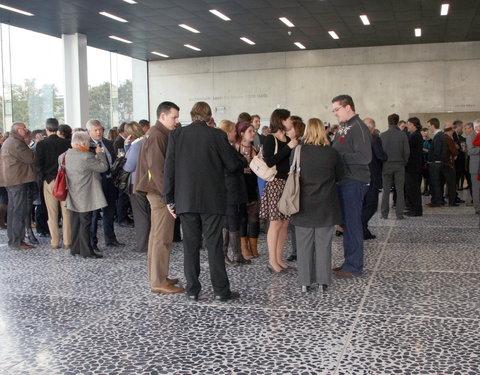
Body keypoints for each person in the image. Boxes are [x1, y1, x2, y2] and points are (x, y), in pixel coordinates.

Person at [164, 101, 243, 301]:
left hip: (185, 200)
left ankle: (192, 290)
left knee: (190, 245)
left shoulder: (177, 135)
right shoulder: (217, 135)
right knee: (214, 244)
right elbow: (233, 165)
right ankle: (220, 290)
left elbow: (169, 169)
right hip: (212, 200)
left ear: (191, 116)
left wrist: (169, 198)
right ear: (209, 117)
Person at [135, 102, 184, 294]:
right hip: (159, 193)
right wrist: (169, 198)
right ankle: (158, 280)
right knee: (161, 238)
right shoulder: (157, 135)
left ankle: (159, 276)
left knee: (158, 236)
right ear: (162, 116)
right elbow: (158, 170)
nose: (177, 121)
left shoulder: (158, 133)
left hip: (157, 192)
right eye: (174, 117)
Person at [290, 118, 344, 292]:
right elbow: (341, 177)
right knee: (323, 245)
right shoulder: (332, 153)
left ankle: (305, 282)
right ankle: (322, 282)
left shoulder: (298, 151)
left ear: (307, 131)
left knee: (304, 245)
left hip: (302, 205)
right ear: (323, 131)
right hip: (326, 206)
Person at [331, 94, 372, 278]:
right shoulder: (344, 127)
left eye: (336, 109)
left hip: (354, 181)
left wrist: (340, 158)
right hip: (344, 180)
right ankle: (349, 262)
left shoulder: (359, 127)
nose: (335, 113)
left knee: (353, 223)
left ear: (348, 107)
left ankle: (354, 267)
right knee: (346, 223)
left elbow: (365, 157)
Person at [259, 108, 298, 273]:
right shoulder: (270, 139)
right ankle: (272, 260)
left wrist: (291, 144)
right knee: (275, 223)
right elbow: (269, 161)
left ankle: (279, 258)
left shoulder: (289, 138)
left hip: (287, 183)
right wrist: (288, 147)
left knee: (284, 223)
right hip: (275, 183)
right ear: (281, 120)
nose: (291, 121)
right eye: (288, 118)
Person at [64, 131, 108, 258]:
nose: (89, 144)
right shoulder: (86, 156)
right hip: (85, 194)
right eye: (88, 142)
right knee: (85, 223)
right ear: (83, 142)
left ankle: (75, 248)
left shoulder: (66, 155)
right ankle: (86, 251)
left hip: (72, 192)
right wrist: (100, 153)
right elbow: (103, 167)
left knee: (75, 222)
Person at [87, 119, 124, 250]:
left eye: (100, 130)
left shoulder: (108, 143)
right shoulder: (86, 145)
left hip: (110, 181)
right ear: (89, 131)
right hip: (96, 183)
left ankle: (111, 238)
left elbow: (113, 159)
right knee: (95, 214)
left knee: (110, 211)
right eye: (95, 130)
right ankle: (93, 242)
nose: (98, 132)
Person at [218, 120, 250, 266]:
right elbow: (234, 164)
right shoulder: (224, 146)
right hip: (229, 189)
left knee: (233, 221)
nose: (235, 133)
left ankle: (236, 254)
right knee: (230, 221)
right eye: (233, 131)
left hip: (232, 188)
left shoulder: (227, 146)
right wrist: (242, 162)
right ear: (227, 132)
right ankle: (226, 255)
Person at [36, 118, 71, 248]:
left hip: (49, 181)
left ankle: (55, 241)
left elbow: (38, 164)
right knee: (66, 212)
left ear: (46, 129)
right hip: (64, 180)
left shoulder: (41, 144)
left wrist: (44, 177)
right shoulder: (66, 143)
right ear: (57, 129)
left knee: (52, 213)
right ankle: (68, 241)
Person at [0, 122, 36, 249]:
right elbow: (30, 158)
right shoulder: (16, 142)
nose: (26, 130)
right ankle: (17, 241)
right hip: (18, 180)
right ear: (17, 130)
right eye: (23, 128)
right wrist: (31, 148)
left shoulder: (10, 141)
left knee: (13, 210)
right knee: (18, 211)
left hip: (12, 180)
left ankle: (15, 240)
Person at [235, 121, 261, 260]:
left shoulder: (255, 150)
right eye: (250, 131)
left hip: (252, 188)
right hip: (240, 188)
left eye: (253, 130)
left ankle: (254, 247)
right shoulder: (235, 149)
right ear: (242, 133)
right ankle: (244, 248)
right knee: (242, 219)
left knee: (254, 219)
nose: (253, 133)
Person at [123, 122, 149, 253]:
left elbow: (129, 166)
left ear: (130, 134)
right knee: (146, 213)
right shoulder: (146, 141)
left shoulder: (136, 146)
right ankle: (148, 243)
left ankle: (143, 245)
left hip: (136, 182)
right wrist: (127, 146)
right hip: (147, 181)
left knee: (140, 215)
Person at [380, 113, 410, 219]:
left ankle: (384, 214)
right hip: (399, 164)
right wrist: (404, 162)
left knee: (386, 190)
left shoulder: (382, 135)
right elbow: (407, 152)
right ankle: (399, 214)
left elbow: (380, 152)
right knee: (400, 190)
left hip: (386, 165)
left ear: (388, 122)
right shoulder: (402, 135)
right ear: (398, 123)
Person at [362, 118, 387, 239]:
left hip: (360, 176)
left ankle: (364, 230)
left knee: (364, 204)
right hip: (372, 175)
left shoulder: (358, 139)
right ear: (372, 127)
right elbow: (380, 155)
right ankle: (360, 226)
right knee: (372, 205)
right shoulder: (374, 138)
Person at [286, 115, 306, 261]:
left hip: (299, 188)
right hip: (300, 187)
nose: (287, 130)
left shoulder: (298, 147)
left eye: (290, 128)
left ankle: (298, 251)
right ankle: (297, 251)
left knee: (296, 220)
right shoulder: (294, 145)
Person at [404, 117, 424, 217]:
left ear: (413, 124)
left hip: (413, 167)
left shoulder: (415, 136)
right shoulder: (414, 135)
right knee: (411, 189)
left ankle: (416, 210)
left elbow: (409, 150)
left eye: (408, 124)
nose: (407, 126)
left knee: (413, 189)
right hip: (412, 166)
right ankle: (413, 208)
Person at [443, 126, 459, 206]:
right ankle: (452, 201)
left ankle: (442, 199)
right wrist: (456, 151)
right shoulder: (449, 139)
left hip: (442, 163)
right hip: (449, 163)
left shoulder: (441, 137)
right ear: (449, 131)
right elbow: (454, 151)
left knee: (443, 183)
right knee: (451, 183)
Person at [465, 121, 480, 213]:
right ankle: (477, 208)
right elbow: (471, 151)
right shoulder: (471, 137)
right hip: (476, 167)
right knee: (476, 189)